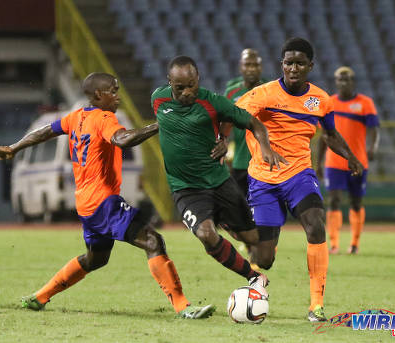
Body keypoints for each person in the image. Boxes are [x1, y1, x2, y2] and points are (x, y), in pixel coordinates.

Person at [0, 72, 215, 319]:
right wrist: (161, 124)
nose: (118, 97)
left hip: (86, 204)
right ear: (98, 95)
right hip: (104, 203)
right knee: (152, 240)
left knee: (96, 259)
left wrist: (15, 147)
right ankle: (183, 307)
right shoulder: (104, 118)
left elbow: (45, 131)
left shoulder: (76, 117)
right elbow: (123, 140)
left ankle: (39, 297)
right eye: (113, 92)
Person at [235, 38, 364, 322]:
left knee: (316, 225)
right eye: (288, 63)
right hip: (263, 179)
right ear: (281, 65)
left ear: (310, 66)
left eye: (299, 63)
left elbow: (329, 134)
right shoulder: (262, 95)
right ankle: (254, 289)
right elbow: (231, 114)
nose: (293, 68)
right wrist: (221, 142)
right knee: (265, 258)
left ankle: (316, 305)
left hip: (299, 175)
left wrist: (350, 156)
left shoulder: (320, 99)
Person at [152, 56, 287, 297]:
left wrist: (260, 146)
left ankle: (257, 225)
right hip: (185, 189)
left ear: (198, 80)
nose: (186, 92)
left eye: (191, 85)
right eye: (179, 87)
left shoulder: (213, 101)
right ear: (169, 82)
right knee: (206, 234)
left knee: (259, 247)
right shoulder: (158, 99)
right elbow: (164, 122)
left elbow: (253, 123)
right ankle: (254, 277)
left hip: (219, 182)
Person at [316, 66, 380, 255]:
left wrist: (373, 147)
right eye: (339, 79)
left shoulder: (365, 103)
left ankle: (354, 243)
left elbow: (375, 129)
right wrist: (318, 162)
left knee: (356, 201)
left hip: (358, 161)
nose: (343, 82)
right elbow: (323, 136)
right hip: (334, 163)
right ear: (336, 82)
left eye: (347, 79)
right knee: (334, 200)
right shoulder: (329, 103)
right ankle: (334, 244)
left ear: (353, 82)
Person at [224, 48, 267, 197]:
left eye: (255, 65)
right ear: (240, 66)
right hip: (240, 162)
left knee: (264, 213)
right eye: (247, 65)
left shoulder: (271, 90)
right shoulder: (231, 92)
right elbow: (225, 124)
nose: (251, 69)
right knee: (240, 213)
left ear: (261, 67)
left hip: (265, 162)